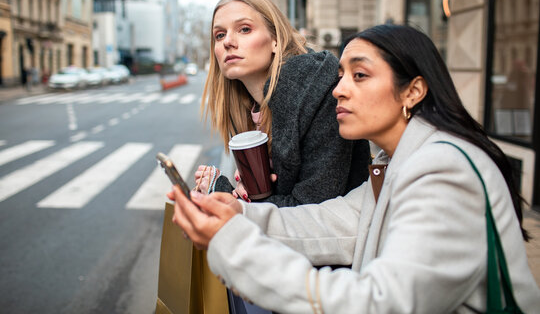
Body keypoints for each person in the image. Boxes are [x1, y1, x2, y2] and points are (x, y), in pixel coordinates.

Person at [168, 24, 540, 313]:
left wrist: (232, 245)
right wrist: (240, 215)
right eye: (342, 75)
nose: (338, 89)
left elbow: (379, 303)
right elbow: (331, 224)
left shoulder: (444, 171)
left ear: (413, 91)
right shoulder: (398, 162)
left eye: (359, 75)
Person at [196, 0, 370, 207]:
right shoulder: (249, 109)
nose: (228, 42)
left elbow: (311, 210)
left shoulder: (316, 90)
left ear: (275, 41)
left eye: (244, 29)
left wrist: (224, 194)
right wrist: (249, 193)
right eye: (219, 35)